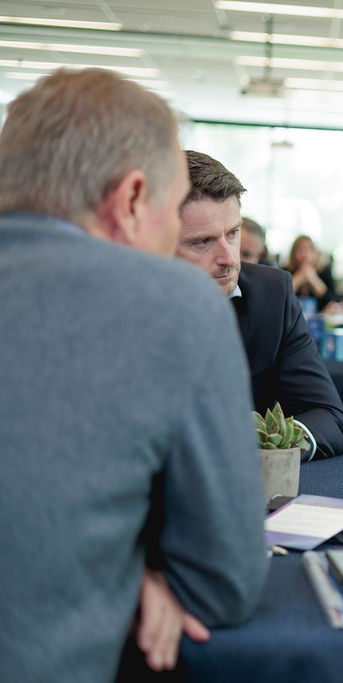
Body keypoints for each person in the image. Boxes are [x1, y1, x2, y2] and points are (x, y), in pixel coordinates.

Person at [0, 68, 267, 682]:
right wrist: (129, 578)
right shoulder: (175, 302)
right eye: (174, 210)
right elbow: (225, 580)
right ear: (128, 201)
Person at [176, 150, 343, 459]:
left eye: (233, 233)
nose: (229, 258)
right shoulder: (119, 306)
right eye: (202, 242)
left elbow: (327, 417)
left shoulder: (272, 295)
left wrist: (261, 448)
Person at [287, 234, 337, 310]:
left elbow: (332, 301)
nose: (304, 254)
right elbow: (282, 296)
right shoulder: (286, 272)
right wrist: (299, 277)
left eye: (308, 249)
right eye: (299, 250)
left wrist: (313, 279)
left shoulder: (324, 272)